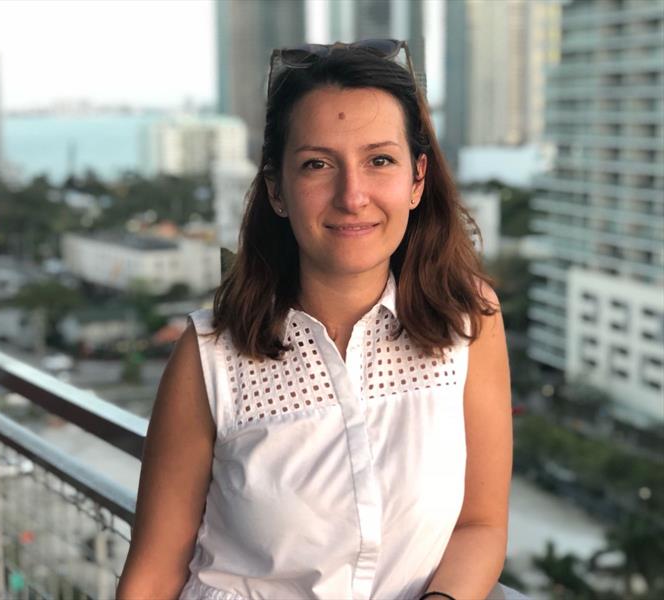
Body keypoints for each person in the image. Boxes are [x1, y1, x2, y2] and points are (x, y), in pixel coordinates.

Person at [117, 40, 513, 600]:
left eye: (380, 160)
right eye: (317, 165)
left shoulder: (467, 322)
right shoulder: (211, 355)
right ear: (277, 190)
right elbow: (154, 574)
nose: (352, 196)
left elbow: (481, 524)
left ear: (417, 179)